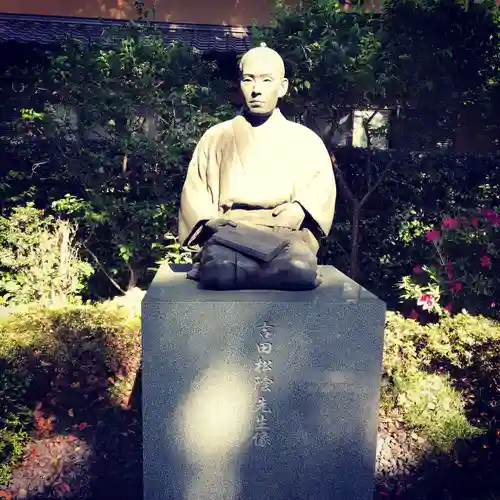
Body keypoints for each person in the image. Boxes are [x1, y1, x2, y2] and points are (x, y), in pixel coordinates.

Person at [177, 43, 336, 290]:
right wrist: (212, 222)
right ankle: (222, 265)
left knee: (300, 270)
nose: (256, 90)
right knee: (218, 271)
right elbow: (196, 192)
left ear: (282, 87)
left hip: (283, 234)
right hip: (230, 234)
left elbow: (320, 188)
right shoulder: (217, 136)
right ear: (239, 84)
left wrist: (300, 210)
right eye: (249, 80)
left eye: (266, 80)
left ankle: (245, 270)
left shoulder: (305, 140)